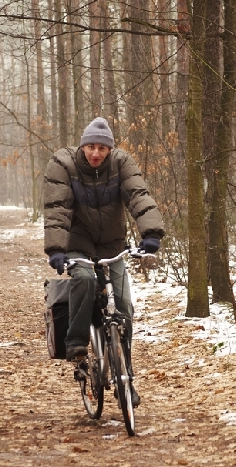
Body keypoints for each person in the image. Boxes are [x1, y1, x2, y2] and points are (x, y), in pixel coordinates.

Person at [43, 117, 164, 407]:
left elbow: (138, 195)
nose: (96, 153)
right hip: (78, 244)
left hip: (112, 245)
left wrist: (151, 233)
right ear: (82, 146)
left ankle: (126, 379)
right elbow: (57, 208)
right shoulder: (63, 165)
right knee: (84, 279)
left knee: (124, 306)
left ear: (110, 150)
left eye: (102, 148)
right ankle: (76, 342)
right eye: (91, 147)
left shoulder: (121, 163)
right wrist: (56, 249)